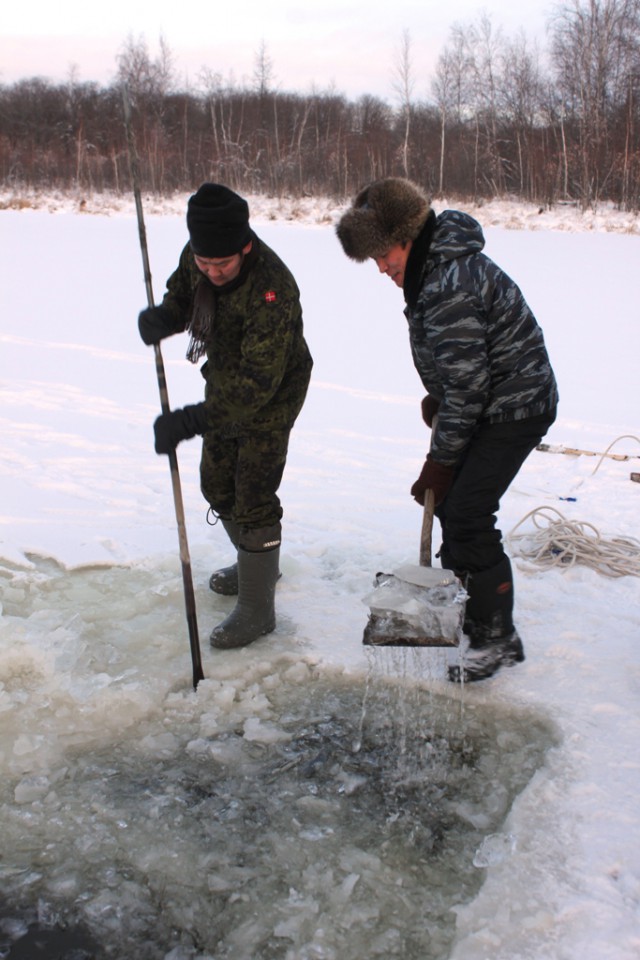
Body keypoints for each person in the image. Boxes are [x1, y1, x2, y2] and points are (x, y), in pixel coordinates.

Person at [336, 178, 558, 682]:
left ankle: (496, 637)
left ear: (408, 237)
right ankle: (471, 608)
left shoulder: (446, 283)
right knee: (458, 507)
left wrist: (439, 463)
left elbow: (469, 390)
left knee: (467, 511)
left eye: (384, 254)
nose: (382, 267)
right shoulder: (438, 268)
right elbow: (464, 369)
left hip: (516, 407)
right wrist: (441, 395)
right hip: (492, 400)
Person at [138, 183, 313, 650]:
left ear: (246, 245)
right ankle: (256, 564)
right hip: (224, 380)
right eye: (204, 263)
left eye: (223, 263)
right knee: (217, 485)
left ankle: (258, 610)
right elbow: (183, 297)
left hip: (273, 392)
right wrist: (163, 318)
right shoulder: (197, 256)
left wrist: (191, 421)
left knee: (252, 493)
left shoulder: (273, 287)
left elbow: (258, 385)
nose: (212, 272)